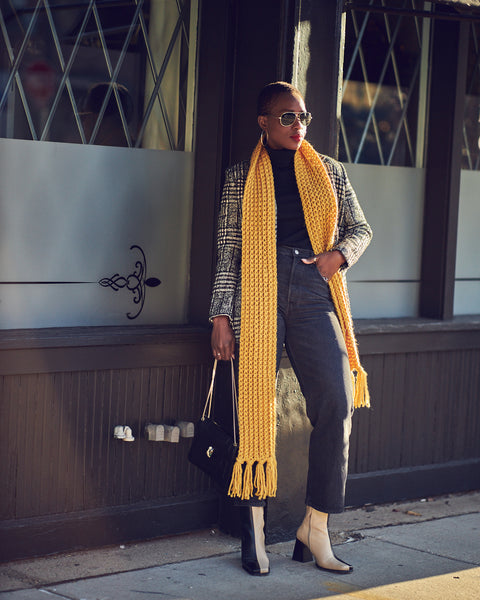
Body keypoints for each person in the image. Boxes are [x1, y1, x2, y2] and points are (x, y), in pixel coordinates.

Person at [209, 82, 372, 576]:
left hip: (311, 290)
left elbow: (361, 228)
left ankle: (315, 528)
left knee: (337, 400)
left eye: (303, 117)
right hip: (257, 291)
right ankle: (254, 532)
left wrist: (337, 257)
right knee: (253, 404)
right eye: (287, 118)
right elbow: (227, 250)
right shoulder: (241, 177)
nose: (298, 126)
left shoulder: (330, 172)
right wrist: (220, 315)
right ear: (263, 122)